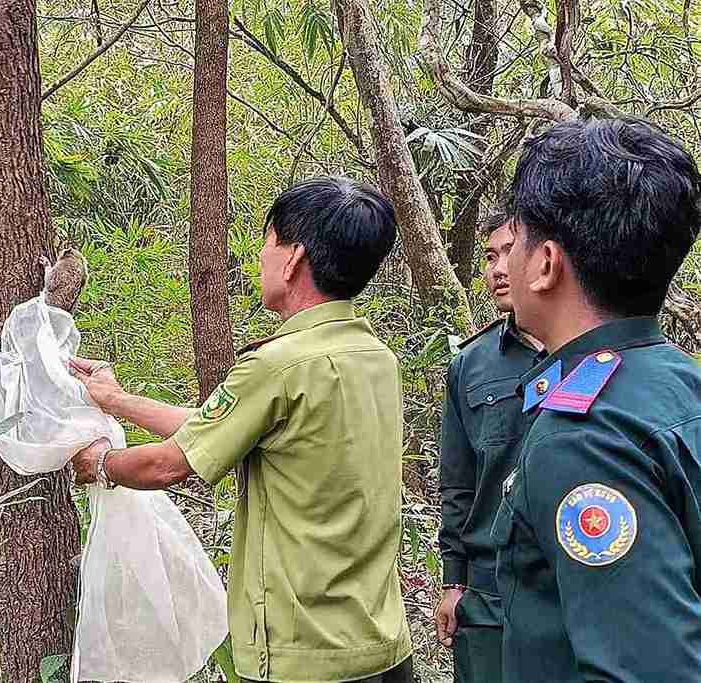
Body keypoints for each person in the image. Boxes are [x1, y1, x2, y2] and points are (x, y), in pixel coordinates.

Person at [69, 176, 414, 683]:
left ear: (294, 259)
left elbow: (168, 465)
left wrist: (97, 464)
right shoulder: (375, 358)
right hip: (382, 645)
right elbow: (214, 430)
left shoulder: (277, 366)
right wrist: (117, 401)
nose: (260, 257)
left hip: (304, 655)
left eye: (267, 241)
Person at [494, 117, 701, 682]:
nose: (505, 265)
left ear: (545, 264)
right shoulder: (679, 383)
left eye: (516, 242)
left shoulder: (584, 440)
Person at [436, 212, 543, 683]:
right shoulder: (470, 365)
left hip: (565, 582)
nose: (498, 269)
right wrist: (453, 580)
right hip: (487, 592)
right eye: (488, 256)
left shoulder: (588, 354)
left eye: (509, 253)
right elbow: (458, 482)